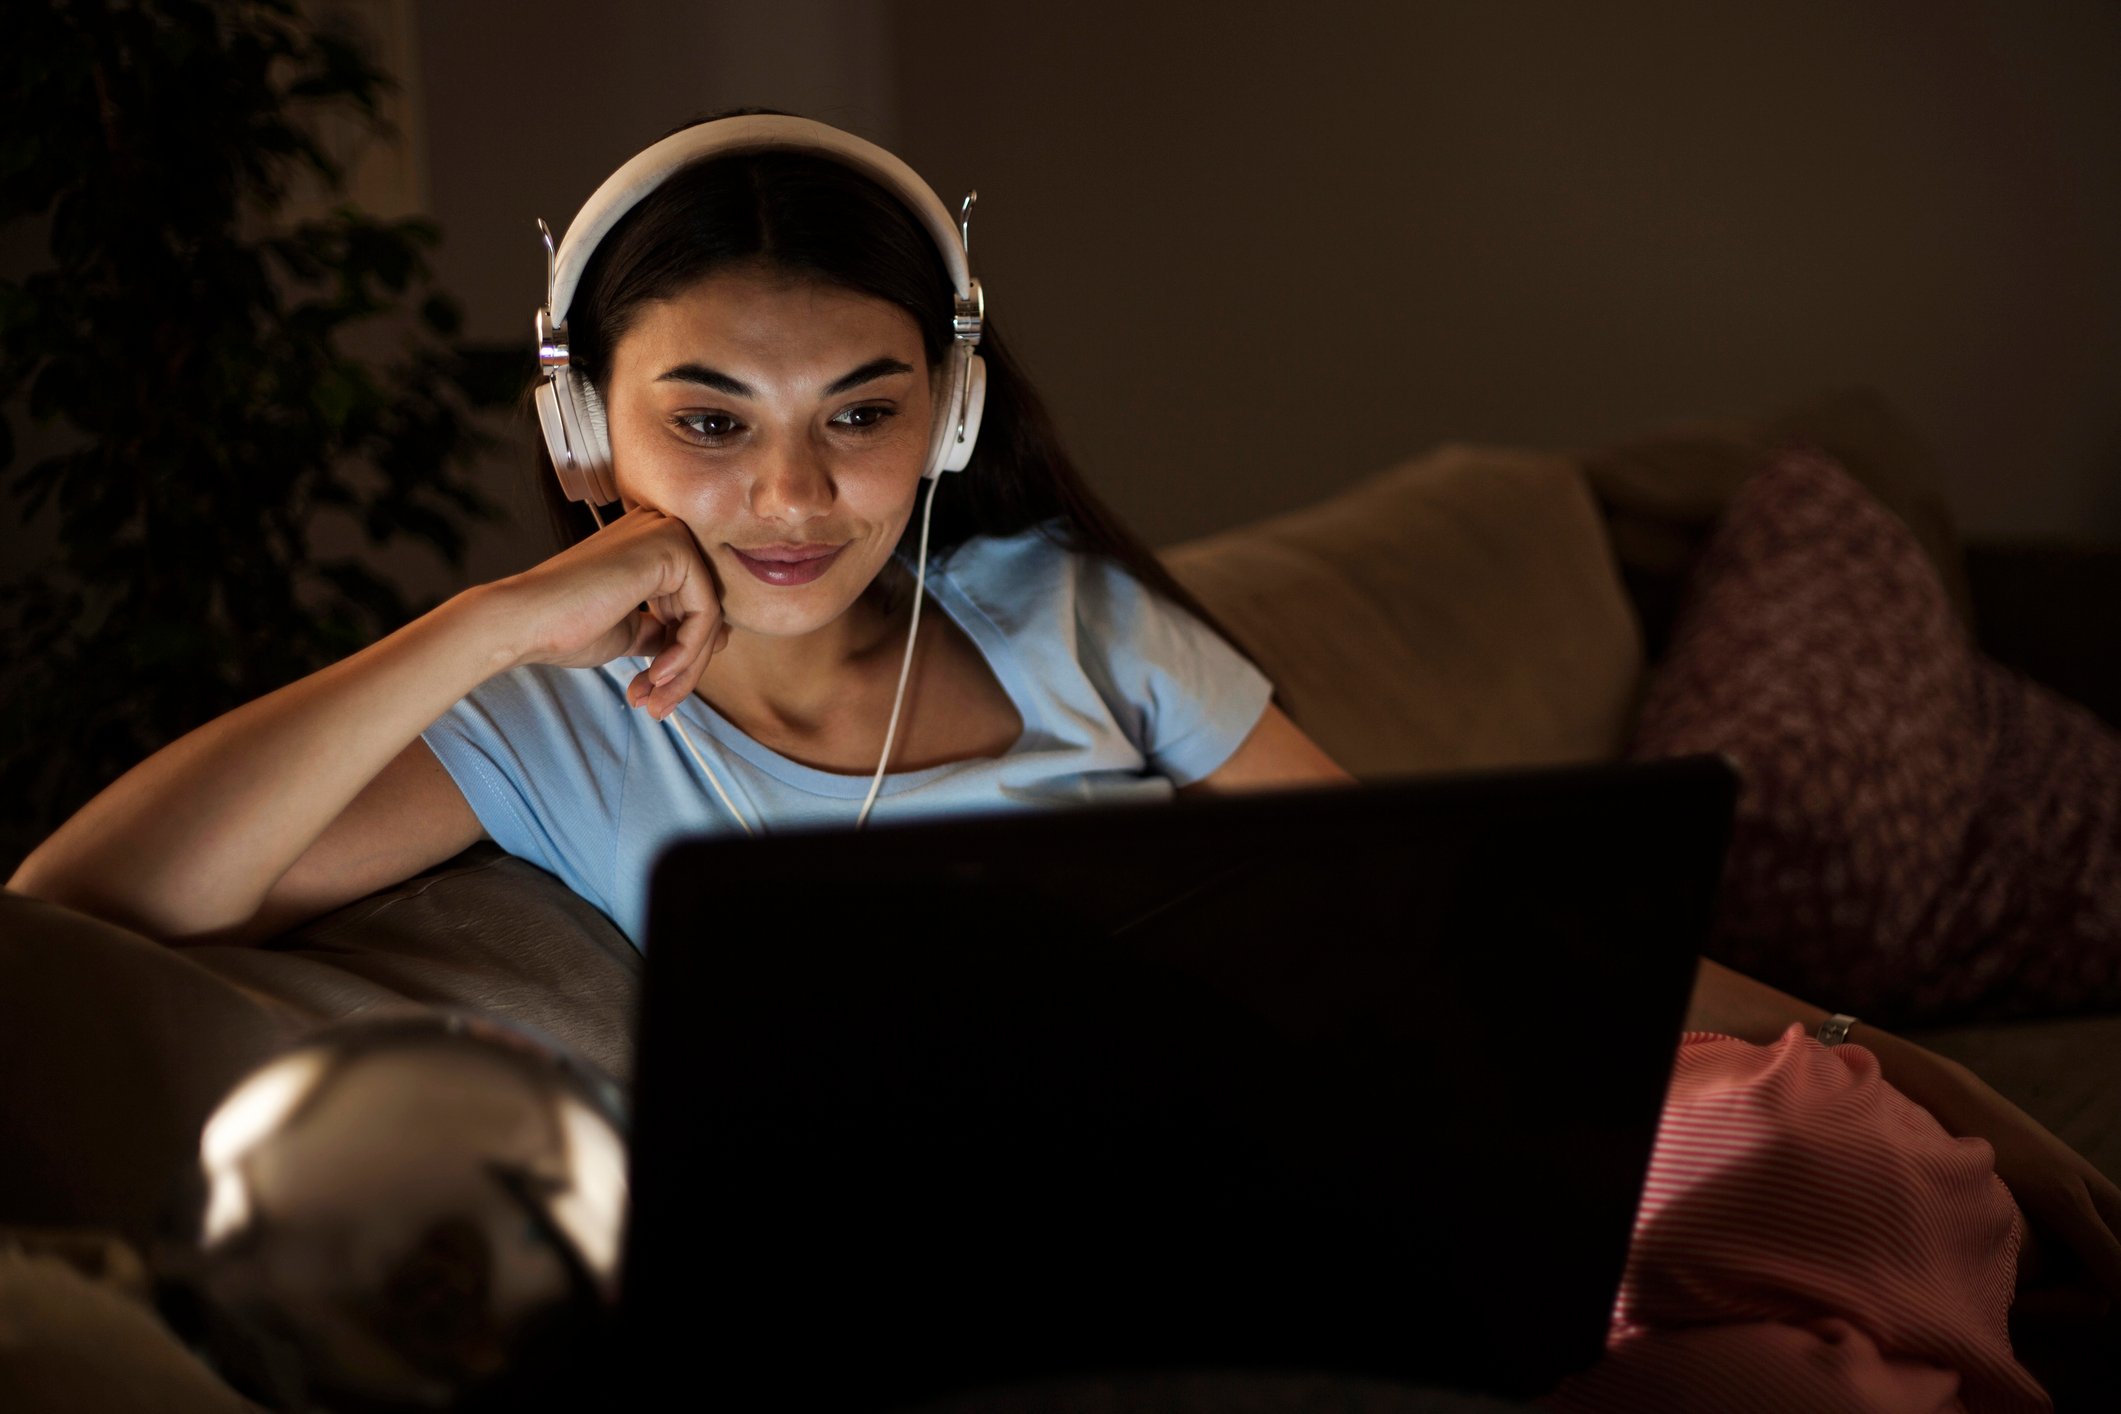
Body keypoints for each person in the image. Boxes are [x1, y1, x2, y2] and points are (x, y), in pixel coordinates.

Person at [10, 113, 2117, 1410]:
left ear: (941, 409)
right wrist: (478, 617)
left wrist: (1911, 1059)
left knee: (1801, 1147)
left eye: (858, 403)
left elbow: (1452, 920)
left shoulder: (1063, 616)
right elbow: (82, 897)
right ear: (587, 432)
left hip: (1379, 1163)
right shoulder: (545, 727)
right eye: (707, 415)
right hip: (1068, 1253)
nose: (793, 489)